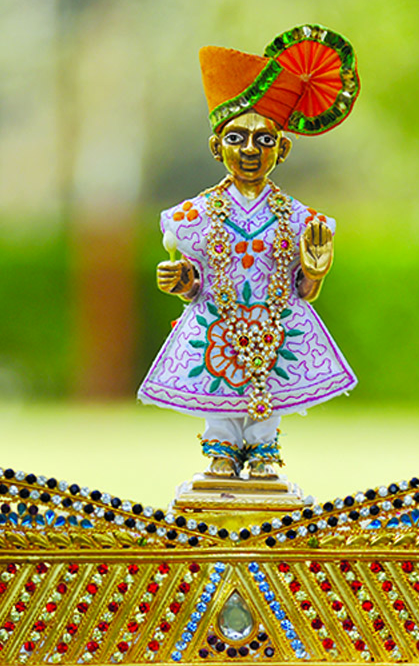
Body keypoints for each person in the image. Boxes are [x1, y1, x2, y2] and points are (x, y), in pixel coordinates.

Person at [138, 24, 360, 479]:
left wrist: (315, 273)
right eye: (237, 138)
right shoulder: (192, 217)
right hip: (217, 327)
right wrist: (184, 282)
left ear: (284, 147)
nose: (251, 150)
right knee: (218, 389)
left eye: (265, 139)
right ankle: (220, 450)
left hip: (274, 326)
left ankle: (262, 450)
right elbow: (196, 283)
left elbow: (304, 291)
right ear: (216, 146)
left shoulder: (301, 220)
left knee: (270, 390)